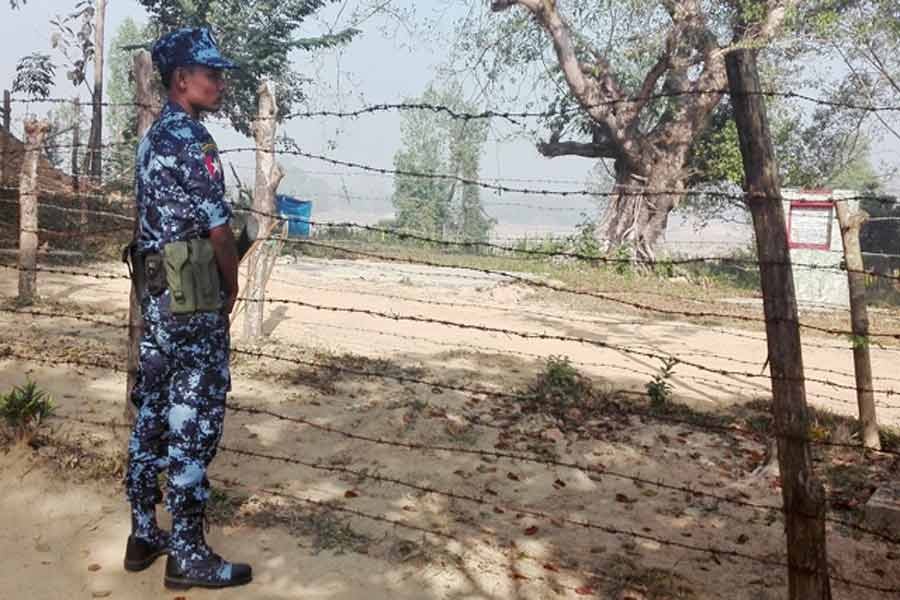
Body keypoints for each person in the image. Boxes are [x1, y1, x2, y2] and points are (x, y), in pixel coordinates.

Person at [122, 27, 249, 590]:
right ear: (181, 79)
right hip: (193, 293)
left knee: (152, 410)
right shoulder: (194, 139)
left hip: (154, 293)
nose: (219, 83)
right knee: (194, 416)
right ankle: (188, 554)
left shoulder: (152, 137)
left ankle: (143, 532)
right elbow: (219, 232)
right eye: (210, 73)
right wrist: (232, 286)